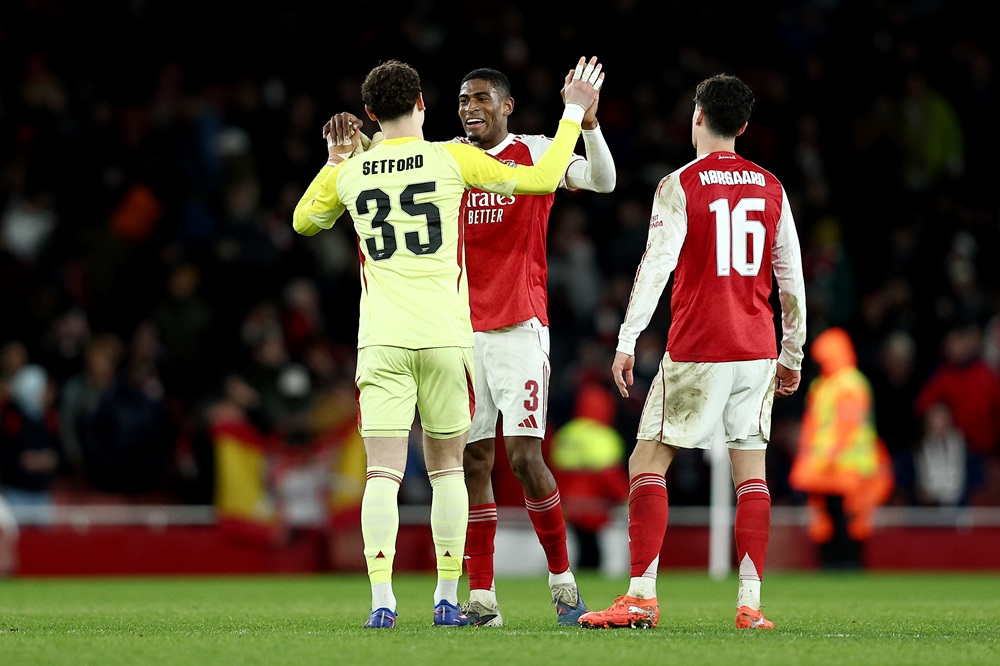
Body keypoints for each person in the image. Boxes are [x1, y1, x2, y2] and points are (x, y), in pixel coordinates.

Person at [292, 57, 603, 629]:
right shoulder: (449, 157)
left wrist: (337, 160)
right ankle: (446, 597)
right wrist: (572, 115)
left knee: (382, 475)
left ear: (368, 114)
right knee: (450, 473)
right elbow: (541, 177)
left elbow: (303, 223)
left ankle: (383, 602)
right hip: (447, 336)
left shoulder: (352, 171)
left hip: (381, 339)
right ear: (422, 107)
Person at [577, 74, 807, 631]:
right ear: (744, 127)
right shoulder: (772, 187)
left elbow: (655, 268)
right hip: (756, 349)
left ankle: (640, 596)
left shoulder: (679, 184)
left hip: (700, 346)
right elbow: (791, 280)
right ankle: (749, 606)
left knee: (646, 461)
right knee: (750, 473)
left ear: (697, 116)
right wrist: (792, 354)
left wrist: (627, 339)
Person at [788, 326, 894, 569]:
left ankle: (847, 564)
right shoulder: (827, 384)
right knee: (830, 519)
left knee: (849, 520)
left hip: (847, 468)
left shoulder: (848, 384)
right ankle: (835, 563)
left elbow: (846, 427)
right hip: (828, 470)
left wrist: (823, 458)